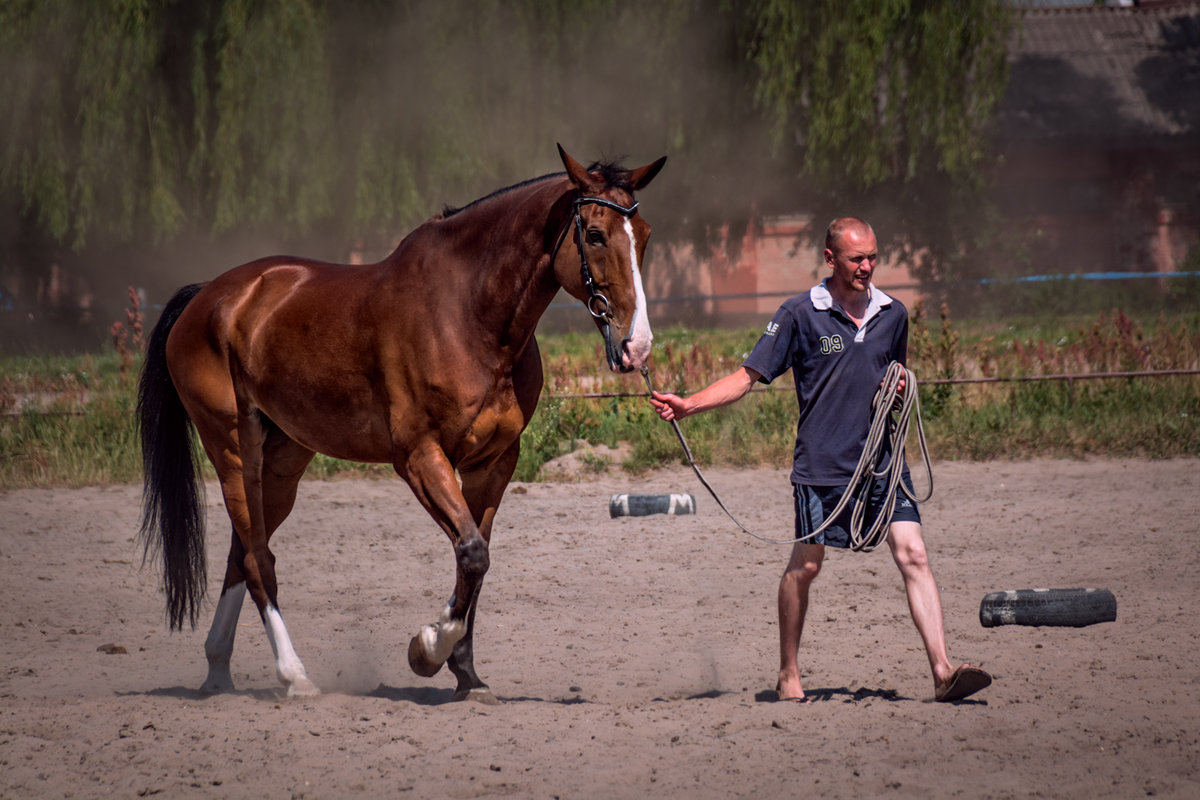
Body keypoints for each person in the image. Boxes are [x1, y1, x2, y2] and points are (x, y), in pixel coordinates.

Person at [649, 217, 991, 703]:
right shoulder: (798, 314)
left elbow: (893, 369)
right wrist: (690, 404)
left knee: (913, 553)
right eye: (857, 259)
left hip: (883, 461)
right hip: (821, 465)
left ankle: (942, 670)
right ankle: (788, 671)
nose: (867, 267)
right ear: (830, 259)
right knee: (806, 567)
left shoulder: (893, 313)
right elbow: (749, 376)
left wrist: (896, 385)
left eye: (873, 256)